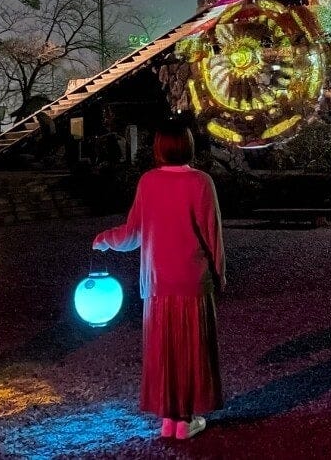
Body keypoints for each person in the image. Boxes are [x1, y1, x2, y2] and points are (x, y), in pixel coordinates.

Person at [93, 120, 225, 440]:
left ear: (159, 148)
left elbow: (133, 233)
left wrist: (105, 239)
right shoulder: (201, 182)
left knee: (164, 350)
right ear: (188, 145)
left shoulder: (149, 182)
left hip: (156, 283)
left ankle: (168, 418)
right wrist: (220, 275)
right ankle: (187, 418)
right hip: (192, 280)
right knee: (192, 349)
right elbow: (212, 235)